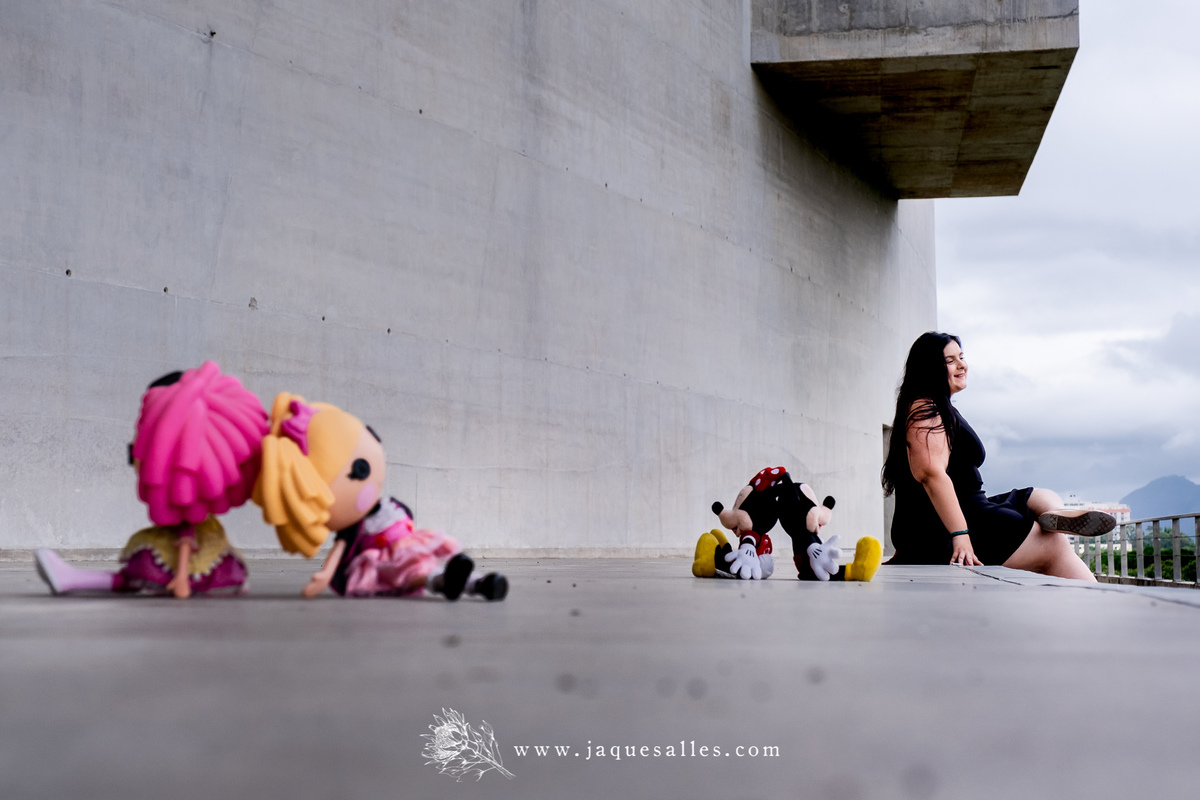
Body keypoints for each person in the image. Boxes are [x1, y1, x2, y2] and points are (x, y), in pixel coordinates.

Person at [882, 332, 1112, 580]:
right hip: (962, 522)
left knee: (1038, 496)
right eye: (950, 361)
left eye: (961, 357)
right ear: (930, 368)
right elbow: (931, 475)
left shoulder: (931, 407)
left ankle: (1054, 516)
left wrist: (907, 545)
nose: (962, 365)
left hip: (966, 511)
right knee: (1053, 546)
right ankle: (1097, 605)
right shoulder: (926, 409)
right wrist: (960, 536)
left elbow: (913, 491)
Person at [35, 361, 268, 597]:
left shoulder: (187, 493)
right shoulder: (182, 474)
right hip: (191, 534)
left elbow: (186, 533)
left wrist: (181, 578)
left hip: (193, 549)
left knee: (147, 568)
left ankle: (73, 579)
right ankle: (72, 579)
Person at [252, 392, 507, 600]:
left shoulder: (392, 505)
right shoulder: (356, 527)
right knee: (409, 575)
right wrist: (326, 574)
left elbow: (407, 522)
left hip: (406, 547)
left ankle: (479, 583)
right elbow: (339, 551)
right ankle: (443, 583)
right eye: (359, 470)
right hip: (381, 560)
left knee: (424, 564)